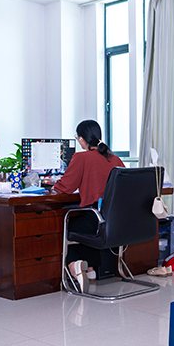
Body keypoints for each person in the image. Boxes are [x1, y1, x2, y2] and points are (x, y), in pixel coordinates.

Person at [53, 120, 125, 288]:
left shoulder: (81, 157)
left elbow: (66, 187)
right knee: (88, 230)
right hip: (116, 221)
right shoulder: (115, 159)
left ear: (81, 139)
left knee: (62, 225)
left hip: (95, 218)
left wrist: (53, 187)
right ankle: (90, 269)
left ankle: (74, 263)